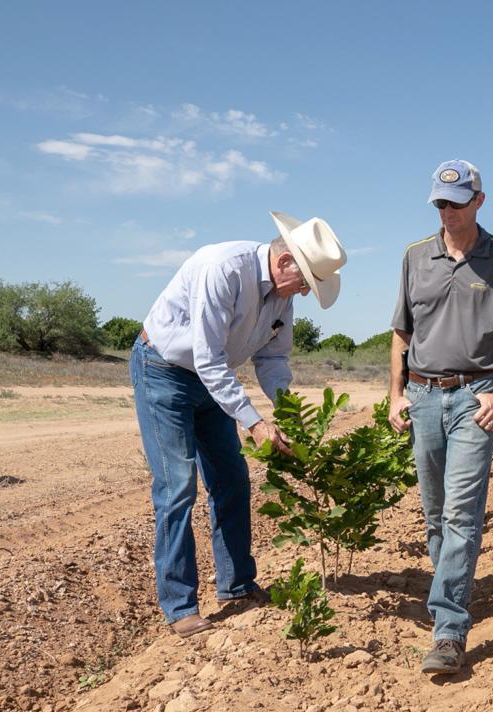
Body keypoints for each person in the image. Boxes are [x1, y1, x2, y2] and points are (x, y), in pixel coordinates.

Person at [131, 212, 347, 638]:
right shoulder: (224, 269)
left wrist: (287, 412)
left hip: (213, 380)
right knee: (177, 487)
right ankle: (180, 607)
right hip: (164, 372)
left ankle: (237, 585)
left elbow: (272, 358)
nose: (304, 292)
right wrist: (254, 423)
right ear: (284, 262)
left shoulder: (282, 295)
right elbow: (208, 358)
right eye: (305, 282)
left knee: (231, 477)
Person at [387, 160, 493, 675]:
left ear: (479, 201)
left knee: (461, 514)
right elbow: (401, 333)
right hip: (423, 396)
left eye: (455, 202)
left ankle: (449, 629)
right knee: (435, 514)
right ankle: (452, 589)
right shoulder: (414, 256)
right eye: (439, 204)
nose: (446, 211)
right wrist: (395, 394)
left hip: (475, 397)